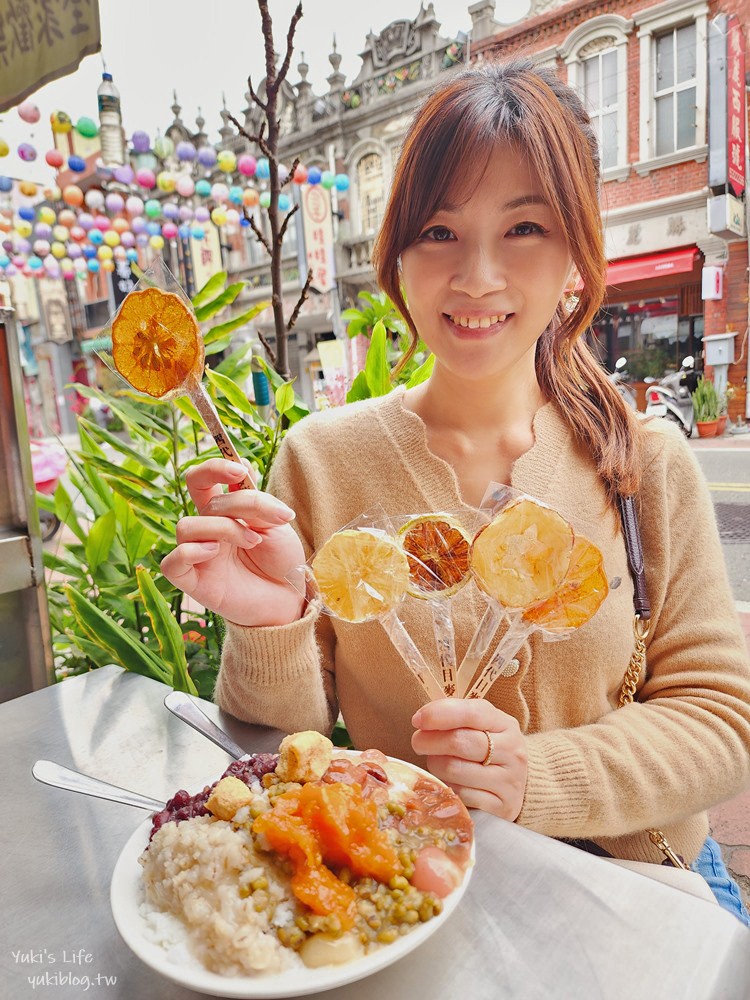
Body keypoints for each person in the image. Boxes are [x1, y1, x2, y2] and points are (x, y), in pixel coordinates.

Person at [161, 60, 750, 923]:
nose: (476, 275)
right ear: (397, 255)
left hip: (640, 891)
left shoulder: (644, 463)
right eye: (440, 232)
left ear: (576, 261)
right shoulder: (319, 461)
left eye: (523, 229)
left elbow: (722, 724)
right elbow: (286, 741)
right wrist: (267, 622)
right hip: (415, 895)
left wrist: (534, 778)